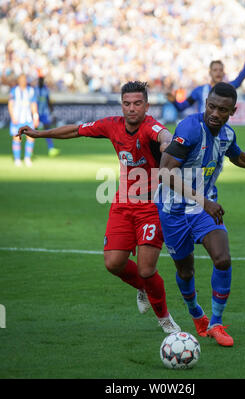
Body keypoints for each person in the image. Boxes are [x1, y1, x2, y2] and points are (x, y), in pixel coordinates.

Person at [17, 81, 181, 334]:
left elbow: (164, 135)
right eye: (127, 103)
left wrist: (166, 146)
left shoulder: (151, 127)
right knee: (114, 263)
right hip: (123, 203)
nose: (131, 109)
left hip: (151, 205)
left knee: (147, 269)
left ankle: (165, 320)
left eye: (138, 103)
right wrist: (40, 134)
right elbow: (76, 131)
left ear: (146, 106)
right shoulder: (111, 125)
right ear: (122, 105)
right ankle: (142, 288)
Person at [156, 82, 245, 346]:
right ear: (206, 104)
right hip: (174, 211)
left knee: (222, 259)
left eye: (222, 109)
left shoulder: (227, 134)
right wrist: (204, 201)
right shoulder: (189, 129)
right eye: (211, 106)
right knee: (186, 270)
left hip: (204, 208)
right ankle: (195, 313)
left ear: (232, 111)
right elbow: (165, 172)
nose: (215, 113)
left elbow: (236, 155)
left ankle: (215, 323)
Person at [167, 35, 245, 114]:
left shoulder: (228, 88)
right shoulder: (199, 91)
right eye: (215, 70)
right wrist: (174, 101)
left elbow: (244, 73)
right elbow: (181, 107)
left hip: (220, 132)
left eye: (220, 70)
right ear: (210, 72)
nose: (218, 72)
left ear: (223, 73)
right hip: (203, 131)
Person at [8, 74, 39, 167]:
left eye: (24, 79)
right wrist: (13, 117)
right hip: (17, 119)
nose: (23, 81)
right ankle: (17, 159)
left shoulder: (31, 91)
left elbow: (33, 105)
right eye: (21, 79)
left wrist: (35, 116)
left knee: (31, 138)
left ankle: (27, 158)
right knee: (17, 138)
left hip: (28, 119)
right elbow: (10, 105)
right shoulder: (14, 91)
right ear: (18, 81)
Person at [35, 75, 60, 157]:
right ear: (38, 81)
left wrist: (52, 112)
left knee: (48, 130)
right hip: (35, 113)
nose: (41, 82)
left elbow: (48, 101)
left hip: (44, 113)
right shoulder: (34, 90)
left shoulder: (46, 90)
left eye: (42, 81)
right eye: (40, 81)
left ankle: (51, 149)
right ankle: (30, 151)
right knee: (32, 131)